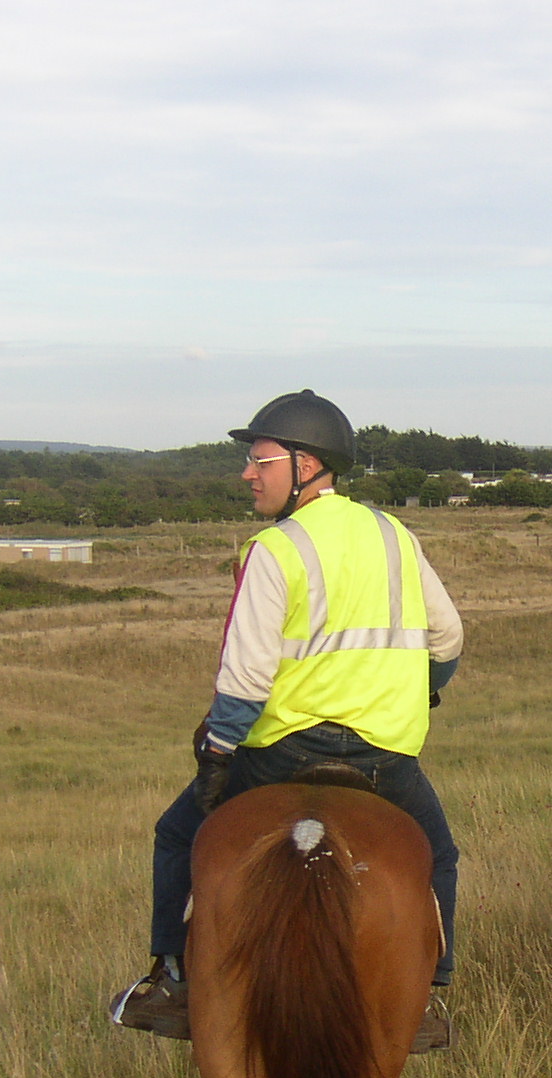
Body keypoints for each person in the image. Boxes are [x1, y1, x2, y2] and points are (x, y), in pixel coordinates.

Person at [110, 390, 465, 1040]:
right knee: (437, 853)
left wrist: (218, 755)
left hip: (283, 755)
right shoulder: (395, 536)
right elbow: (447, 641)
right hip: (386, 759)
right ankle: (429, 995)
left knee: (177, 835)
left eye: (260, 460)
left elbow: (246, 679)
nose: (247, 473)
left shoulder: (273, 549)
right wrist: (425, 690)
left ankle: (171, 981)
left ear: (305, 464)